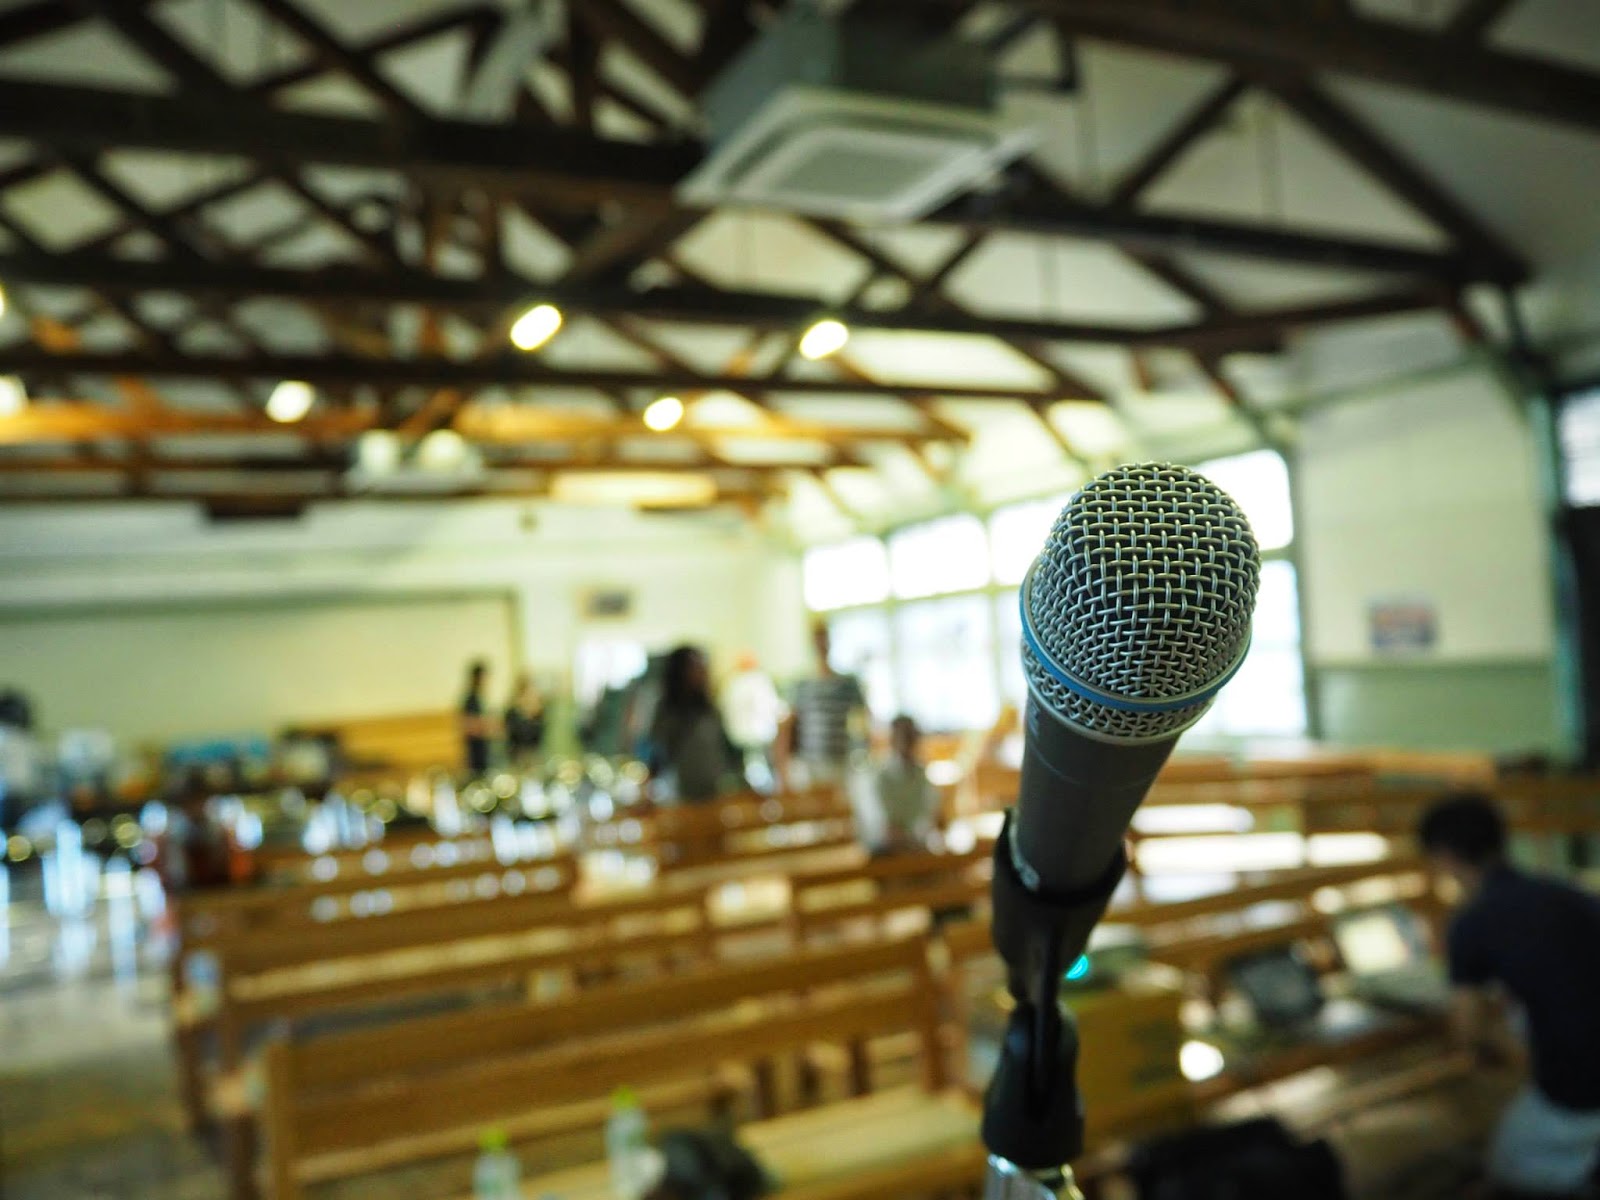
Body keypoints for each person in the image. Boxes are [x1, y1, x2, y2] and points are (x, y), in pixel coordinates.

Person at [1417, 793, 1600, 1197]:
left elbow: (1467, 1031)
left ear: (1443, 856)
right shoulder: (1567, 893)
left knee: (1504, 1166)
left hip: (1580, 1094)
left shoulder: (1471, 922)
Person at [777, 622, 867, 790]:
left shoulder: (848, 684)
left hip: (841, 761)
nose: (821, 644)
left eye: (824, 638)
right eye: (817, 639)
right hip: (809, 764)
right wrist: (783, 769)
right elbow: (787, 728)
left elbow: (863, 721)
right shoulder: (801, 685)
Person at [647, 645, 740, 804]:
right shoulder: (668, 711)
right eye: (694, 667)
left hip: (714, 792)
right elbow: (655, 753)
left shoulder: (709, 709)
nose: (701, 672)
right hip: (680, 796)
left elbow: (726, 749)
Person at [867, 714, 939, 854]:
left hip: (916, 844)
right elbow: (886, 827)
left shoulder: (920, 773)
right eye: (905, 736)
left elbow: (928, 814)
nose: (909, 741)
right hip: (887, 848)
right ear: (893, 739)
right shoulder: (880, 776)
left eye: (911, 736)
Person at [721, 652, 785, 789]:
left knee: (748, 777)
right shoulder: (758, 681)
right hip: (757, 738)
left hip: (738, 740)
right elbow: (771, 707)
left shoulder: (732, 683)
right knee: (761, 779)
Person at [459, 659, 495, 778]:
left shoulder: (482, 697)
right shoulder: (471, 699)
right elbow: (468, 724)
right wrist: (487, 726)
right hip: (476, 748)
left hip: (485, 747)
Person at [504, 673, 546, 766]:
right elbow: (512, 729)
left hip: (533, 750)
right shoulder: (513, 709)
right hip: (517, 751)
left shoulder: (536, 708)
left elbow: (539, 731)